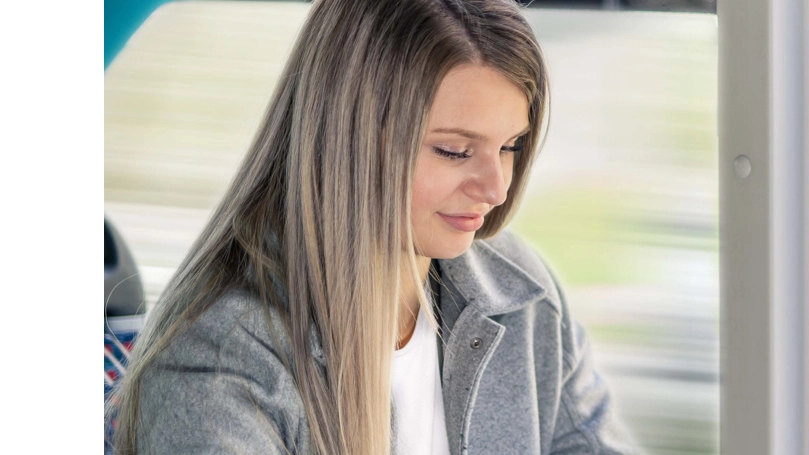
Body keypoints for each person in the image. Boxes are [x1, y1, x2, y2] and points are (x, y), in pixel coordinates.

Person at [106, 0, 637, 453]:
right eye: (454, 151)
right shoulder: (220, 363)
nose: (495, 189)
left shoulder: (523, 296)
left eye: (510, 147)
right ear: (352, 143)